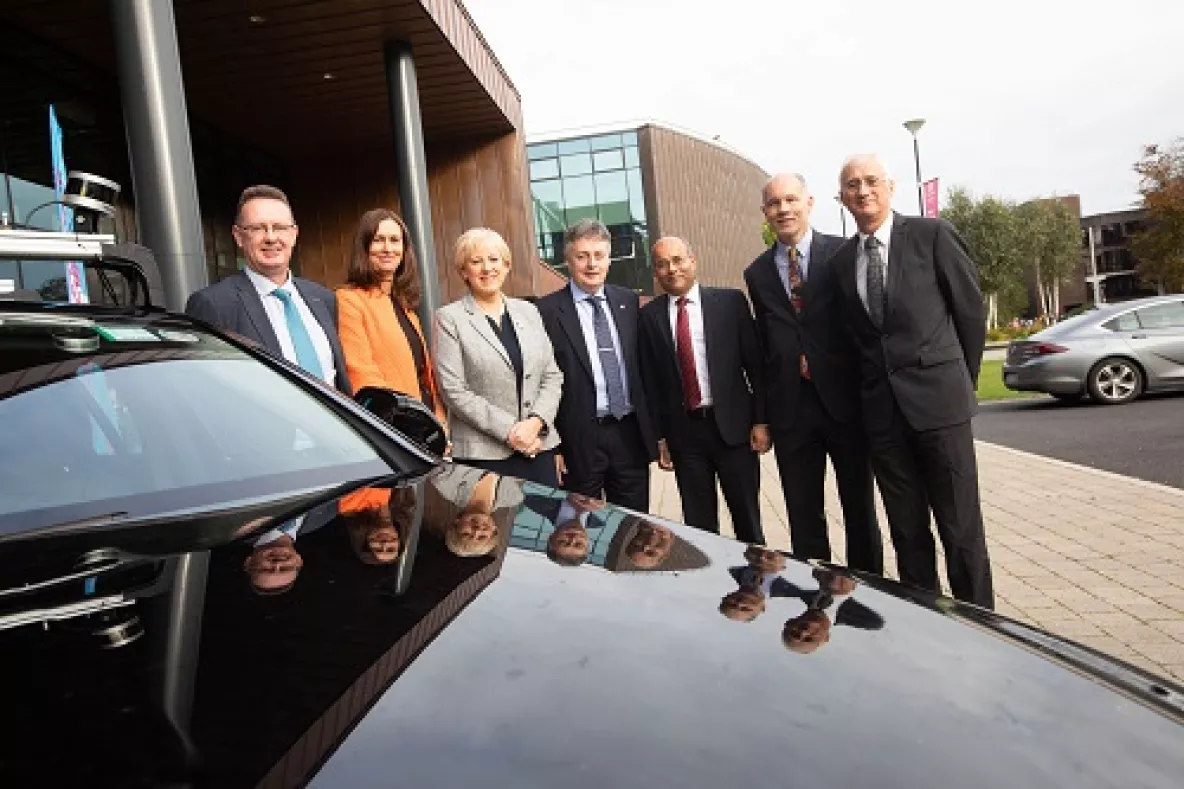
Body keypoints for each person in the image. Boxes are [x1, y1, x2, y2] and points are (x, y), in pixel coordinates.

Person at [831, 153, 993, 609]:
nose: (862, 191)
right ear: (841, 198)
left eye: (870, 181)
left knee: (961, 531)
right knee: (908, 534)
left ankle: (981, 625)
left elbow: (969, 315)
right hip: (883, 419)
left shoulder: (931, 235)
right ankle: (926, 627)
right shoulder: (843, 263)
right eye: (851, 185)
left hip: (941, 410)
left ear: (890, 186)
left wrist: (959, 383)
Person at [744, 173, 882, 573]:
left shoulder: (842, 253)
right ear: (764, 213)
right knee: (803, 513)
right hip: (792, 409)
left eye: (791, 200)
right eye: (774, 203)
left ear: (810, 202)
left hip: (845, 403)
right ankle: (817, 593)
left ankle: (867, 589)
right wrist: (764, 416)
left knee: (859, 508)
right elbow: (766, 347)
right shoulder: (756, 273)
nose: (783, 209)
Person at [639, 236, 768, 545]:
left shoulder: (730, 303)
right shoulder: (649, 316)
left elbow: (756, 366)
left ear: (693, 261)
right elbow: (651, 382)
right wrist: (659, 438)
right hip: (685, 437)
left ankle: (756, 585)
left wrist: (761, 420)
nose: (672, 269)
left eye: (678, 260)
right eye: (662, 264)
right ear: (655, 272)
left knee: (747, 520)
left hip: (734, 431)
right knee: (699, 527)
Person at [535, 219, 657, 511]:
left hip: (629, 436)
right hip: (578, 440)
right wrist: (553, 445)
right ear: (568, 261)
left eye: (599, 256)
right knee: (577, 528)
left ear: (609, 259)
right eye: (582, 256)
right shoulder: (546, 311)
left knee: (632, 527)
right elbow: (539, 379)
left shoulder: (628, 302)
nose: (591, 264)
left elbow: (646, 370)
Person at [185, 184, 350, 392]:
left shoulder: (324, 299)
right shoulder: (214, 305)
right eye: (257, 228)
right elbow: (206, 389)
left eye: (280, 227)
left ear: (294, 234)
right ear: (238, 237)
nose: (271, 238)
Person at [432, 228, 564, 485]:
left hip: (538, 447)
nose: (486, 268)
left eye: (494, 260)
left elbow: (552, 375)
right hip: (484, 457)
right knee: (494, 526)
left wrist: (535, 423)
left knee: (542, 524)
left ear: (506, 265)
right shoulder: (450, 319)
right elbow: (453, 390)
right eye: (476, 261)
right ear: (463, 271)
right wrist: (512, 431)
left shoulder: (529, 311)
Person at [336, 208, 442, 419]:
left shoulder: (405, 306)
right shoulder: (349, 300)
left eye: (395, 240)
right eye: (378, 240)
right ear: (364, 247)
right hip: (394, 426)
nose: (388, 248)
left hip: (427, 423)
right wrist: (404, 425)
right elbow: (363, 374)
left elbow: (424, 375)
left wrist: (439, 420)